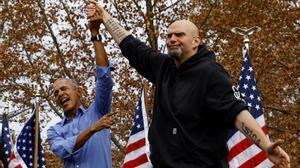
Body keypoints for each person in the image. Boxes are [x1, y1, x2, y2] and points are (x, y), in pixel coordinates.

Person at [86, 1, 290, 167]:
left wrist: (266, 146)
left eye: (179, 35)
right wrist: (104, 17)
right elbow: (131, 46)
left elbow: (236, 113)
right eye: (169, 36)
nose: (172, 39)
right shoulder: (163, 67)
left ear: (196, 41)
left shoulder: (211, 74)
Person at [47, 15, 115, 168]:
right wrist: (93, 128)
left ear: (79, 92)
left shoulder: (98, 111)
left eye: (64, 89)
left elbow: (104, 78)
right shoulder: (54, 131)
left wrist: (95, 35)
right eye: (56, 93)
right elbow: (62, 150)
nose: (60, 94)